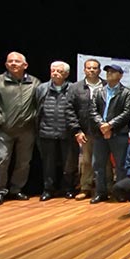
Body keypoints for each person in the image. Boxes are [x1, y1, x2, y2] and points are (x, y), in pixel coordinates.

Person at [0, 51, 41, 205]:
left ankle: (16, 189)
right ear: (6, 64)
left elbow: (41, 104)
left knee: (24, 162)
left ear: (25, 65)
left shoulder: (35, 83)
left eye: (17, 61)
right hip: (3, 130)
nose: (13, 63)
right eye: (10, 61)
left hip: (26, 130)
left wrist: (32, 117)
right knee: (1, 160)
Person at [89, 64, 130, 204]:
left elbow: (127, 113)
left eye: (113, 72)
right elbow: (92, 111)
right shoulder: (98, 91)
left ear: (120, 75)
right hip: (100, 133)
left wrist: (110, 125)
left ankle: (120, 192)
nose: (109, 74)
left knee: (120, 165)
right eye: (108, 72)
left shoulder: (126, 92)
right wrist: (102, 125)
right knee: (98, 164)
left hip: (119, 133)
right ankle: (100, 192)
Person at [67, 58, 111, 200]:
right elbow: (69, 110)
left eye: (94, 68)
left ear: (99, 70)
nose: (92, 70)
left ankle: (107, 188)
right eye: (89, 68)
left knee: (105, 161)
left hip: (103, 130)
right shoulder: (75, 87)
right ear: (84, 70)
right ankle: (85, 188)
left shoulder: (108, 85)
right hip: (85, 130)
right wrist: (77, 130)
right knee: (86, 161)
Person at [35, 61, 79, 201]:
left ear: (66, 74)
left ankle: (69, 188)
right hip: (46, 131)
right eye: (53, 70)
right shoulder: (41, 88)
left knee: (69, 163)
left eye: (59, 71)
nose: (55, 73)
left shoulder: (73, 88)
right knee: (48, 164)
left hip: (68, 132)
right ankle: (48, 189)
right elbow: (37, 109)